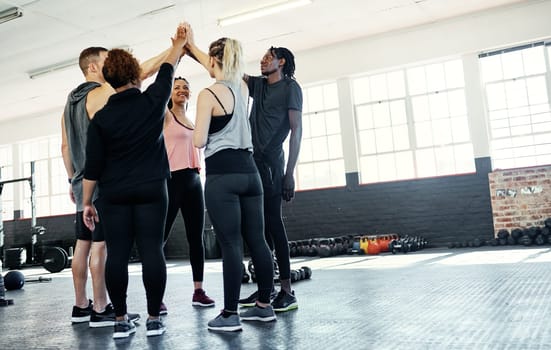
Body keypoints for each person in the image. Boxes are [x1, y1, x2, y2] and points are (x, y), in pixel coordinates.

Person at [82, 25, 187, 338]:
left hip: (113, 194)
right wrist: (178, 45)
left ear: (110, 80)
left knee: (117, 254)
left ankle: (120, 319)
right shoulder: (152, 101)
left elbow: (93, 167)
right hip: (152, 188)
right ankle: (154, 319)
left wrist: (87, 202)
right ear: (136, 74)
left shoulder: (101, 118)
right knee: (152, 250)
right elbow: (168, 71)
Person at [61, 45, 170, 327]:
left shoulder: (77, 109)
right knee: (126, 250)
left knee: (97, 249)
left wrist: (79, 190)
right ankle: (123, 312)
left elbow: (74, 153)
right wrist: (176, 48)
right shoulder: (112, 96)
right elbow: (153, 73)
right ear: (95, 68)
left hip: (96, 186)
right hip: (128, 185)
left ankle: (96, 311)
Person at [185, 24, 276, 332]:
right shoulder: (243, 87)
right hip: (251, 173)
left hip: (223, 175)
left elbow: (198, 141)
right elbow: (222, 69)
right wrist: (193, 47)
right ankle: (264, 306)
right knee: (258, 241)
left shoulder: (208, 93)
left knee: (231, 244)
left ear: (214, 60)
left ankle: (230, 314)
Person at [238, 46, 303, 312]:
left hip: (273, 165)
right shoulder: (259, 85)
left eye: (269, 56)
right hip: (251, 163)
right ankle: (266, 288)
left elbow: (297, 131)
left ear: (282, 61)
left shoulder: (291, 88)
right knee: (256, 226)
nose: (263, 60)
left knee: (274, 224)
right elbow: (229, 70)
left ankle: (287, 291)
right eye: (262, 57)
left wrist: (289, 174)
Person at [161, 76, 215, 313]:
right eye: (177, 88)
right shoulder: (165, 115)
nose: (182, 91)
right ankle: (157, 295)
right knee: (159, 240)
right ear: (170, 94)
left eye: (185, 88)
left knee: (196, 239)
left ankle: (198, 291)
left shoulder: (194, 121)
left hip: (194, 181)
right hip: (172, 181)